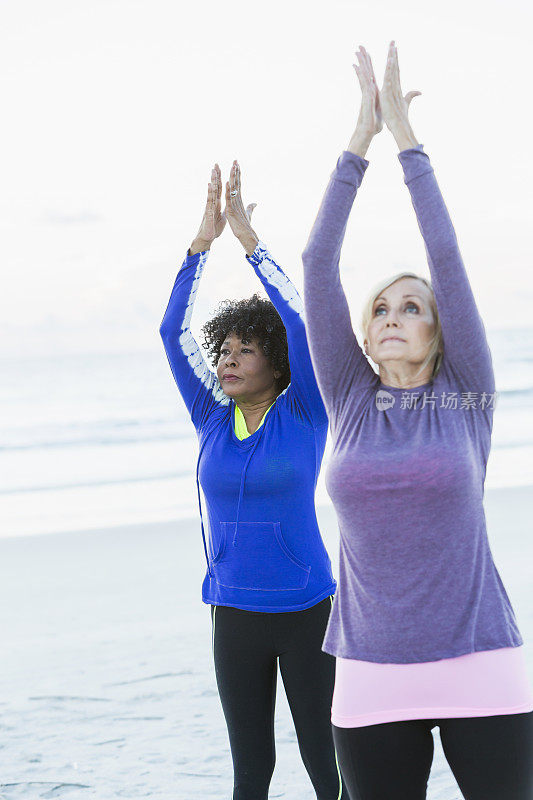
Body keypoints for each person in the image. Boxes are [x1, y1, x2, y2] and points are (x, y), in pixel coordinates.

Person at [301, 41, 533, 800]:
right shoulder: (348, 399)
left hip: (480, 664)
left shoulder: (467, 394)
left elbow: (446, 254)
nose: (393, 316)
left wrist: (407, 142)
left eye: (413, 307)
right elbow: (315, 261)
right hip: (369, 674)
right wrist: (355, 143)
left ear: (440, 331)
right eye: (380, 308)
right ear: (362, 336)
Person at [160, 161, 347, 799]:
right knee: (251, 770)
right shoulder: (212, 416)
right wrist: (199, 245)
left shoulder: (305, 410)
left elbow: (304, 322)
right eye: (224, 350)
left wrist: (249, 244)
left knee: (327, 766)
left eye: (245, 349)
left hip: (308, 610)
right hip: (233, 611)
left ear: (277, 359)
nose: (228, 360)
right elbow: (170, 332)